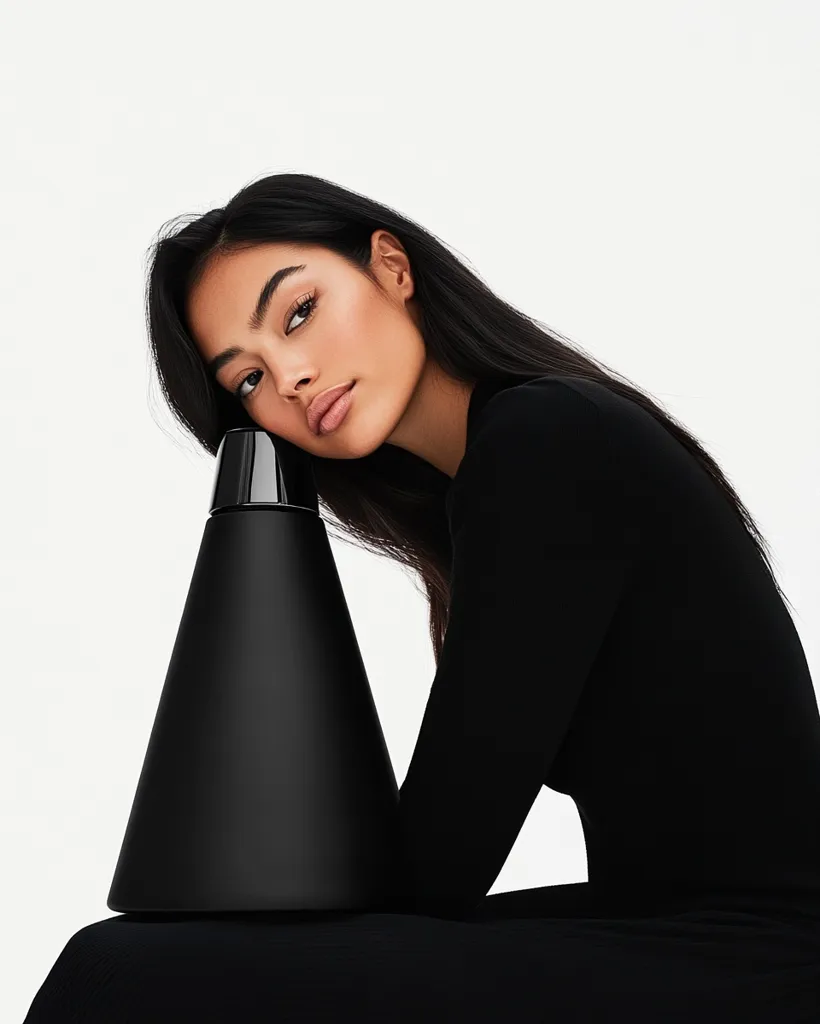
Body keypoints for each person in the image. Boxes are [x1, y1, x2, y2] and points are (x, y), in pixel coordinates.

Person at [24, 173, 820, 1022]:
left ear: (393, 267)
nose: (289, 376)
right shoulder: (496, 475)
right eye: (247, 379)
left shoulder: (544, 444)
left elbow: (443, 857)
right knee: (165, 958)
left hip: (758, 955)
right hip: (679, 927)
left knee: (120, 968)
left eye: (297, 314)